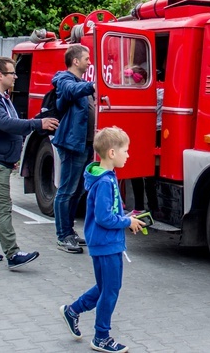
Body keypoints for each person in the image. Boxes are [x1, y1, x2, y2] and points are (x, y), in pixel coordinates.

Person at [59, 126, 145, 353]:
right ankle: (101, 337)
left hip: (103, 242)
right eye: (125, 151)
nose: (128, 155)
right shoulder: (106, 182)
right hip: (107, 244)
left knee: (105, 286)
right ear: (112, 153)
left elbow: (107, 213)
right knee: (111, 290)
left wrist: (126, 219)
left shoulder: (103, 177)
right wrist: (127, 222)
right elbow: (104, 217)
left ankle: (72, 311)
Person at [0, 56, 58, 269]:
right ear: (0, 76)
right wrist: (38, 123)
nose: (16, 77)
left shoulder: (0, 97)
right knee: (2, 207)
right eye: (12, 73)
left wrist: (11, 156)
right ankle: (13, 254)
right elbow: (5, 123)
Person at [52, 45, 96, 254]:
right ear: (75, 61)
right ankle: (63, 236)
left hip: (85, 144)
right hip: (72, 144)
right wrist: (95, 85)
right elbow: (71, 91)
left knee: (78, 190)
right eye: (86, 59)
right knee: (67, 191)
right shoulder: (64, 80)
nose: (90, 62)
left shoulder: (81, 83)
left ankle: (69, 232)